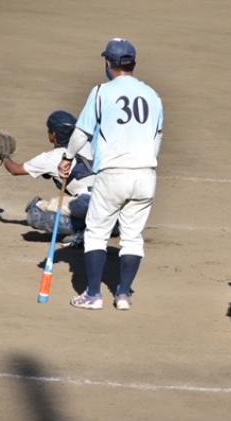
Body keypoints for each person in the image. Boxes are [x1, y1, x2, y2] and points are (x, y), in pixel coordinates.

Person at [58, 38, 164, 311]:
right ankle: (124, 295)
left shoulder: (101, 92)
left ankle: (93, 295)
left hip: (113, 174)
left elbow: (81, 132)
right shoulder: (153, 95)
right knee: (133, 237)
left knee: (96, 234)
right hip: (145, 175)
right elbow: (157, 137)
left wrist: (67, 158)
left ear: (108, 63)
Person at [0, 110, 95, 246]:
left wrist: (4, 156)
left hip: (87, 203)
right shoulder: (91, 144)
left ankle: (87, 230)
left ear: (54, 135)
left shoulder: (50, 158)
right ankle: (109, 225)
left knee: (35, 213)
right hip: (112, 200)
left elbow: (15, 169)